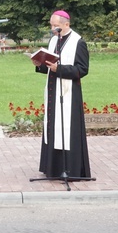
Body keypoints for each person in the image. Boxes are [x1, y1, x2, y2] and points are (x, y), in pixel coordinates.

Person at [32, 10, 91, 179]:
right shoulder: (53, 41)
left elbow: (82, 70)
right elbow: (48, 66)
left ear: (66, 24)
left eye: (56, 26)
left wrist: (61, 69)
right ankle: (53, 168)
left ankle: (70, 169)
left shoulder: (78, 42)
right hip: (52, 91)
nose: (52, 29)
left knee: (66, 129)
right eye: (51, 25)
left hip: (69, 94)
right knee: (52, 128)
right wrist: (39, 64)